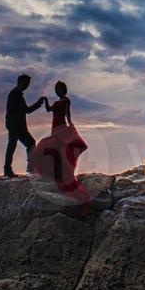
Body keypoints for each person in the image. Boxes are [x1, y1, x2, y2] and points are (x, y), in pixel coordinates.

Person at [32, 81, 91, 215]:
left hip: (62, 129)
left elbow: (68, 115)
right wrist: (45, 100)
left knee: (58, 152)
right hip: (54, 129)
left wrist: (72, 128)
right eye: (56, 89)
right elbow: (48, 110)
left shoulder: (66, 100)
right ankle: (57, 174)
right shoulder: (57, 102)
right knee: (53, 152)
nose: (58, 91)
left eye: (59, 89)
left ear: (64, 90)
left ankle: (65, 178)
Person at [4, 74, 45, 178]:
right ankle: (7, 169)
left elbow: (27, 110)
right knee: (12, 146)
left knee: (30, 143)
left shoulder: (19, 96)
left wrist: (38, 103)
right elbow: (10, 112)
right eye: (26, 83)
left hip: (20, 127)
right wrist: (10, 125)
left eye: (28, 84)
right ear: (20, 82)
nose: (27, 85)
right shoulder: (14, 94)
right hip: (15, 127)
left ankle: (30, 167)